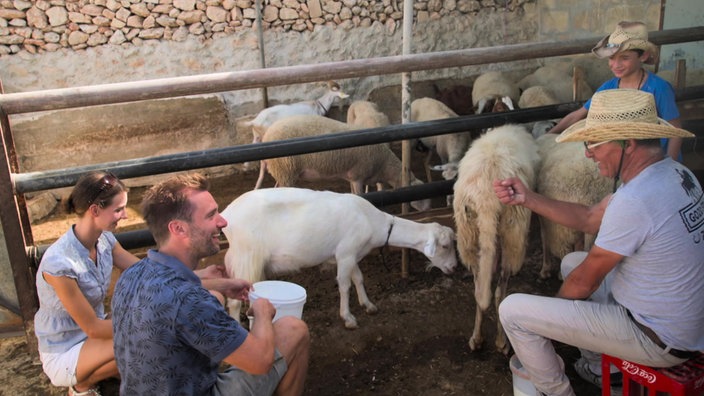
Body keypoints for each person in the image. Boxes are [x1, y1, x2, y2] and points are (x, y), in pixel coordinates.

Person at [493, 89, 704, 396]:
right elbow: (592, 217)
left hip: (659, 337)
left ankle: (558, 393)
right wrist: (528, 198)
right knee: (570, 261)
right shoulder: (673, 173)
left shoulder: (636, 200)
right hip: (683, 320)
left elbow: (584, 282)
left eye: (593, 143)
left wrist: (546, 326)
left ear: (628, 144)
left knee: (513, 311)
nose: (588, 152)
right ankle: (598, 368)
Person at [33, 171, 252, 396]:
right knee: (145, 345)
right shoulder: (60, 264)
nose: (125, 215)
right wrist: (153, 324)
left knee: (151, 339)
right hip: (67, 348)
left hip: (95, 338)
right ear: (95, 211)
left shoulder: (104, 240)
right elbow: (94, 328)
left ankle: (105, 375)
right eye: (118, 209)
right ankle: (81, 385)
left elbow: (151, 275)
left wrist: (208, 278)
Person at [111, 173, 310, 395]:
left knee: (215, 297)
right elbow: (261, 362)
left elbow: (172, 292)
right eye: (211, 215)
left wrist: (220, 284)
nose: (223, 222)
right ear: (178, 229)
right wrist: (263, 312)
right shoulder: (190, 302)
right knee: (293, 329)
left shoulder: (132, 274)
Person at [548, 21, 684, 161]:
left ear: (643, 56)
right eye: (612, 58)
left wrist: (669, 164)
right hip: (625, 161)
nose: (616, 65)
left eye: (625, 58)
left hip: (656, 160)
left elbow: (675, 131)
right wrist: (549, 135)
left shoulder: (658, 88)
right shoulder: (608, 88)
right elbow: (579, 114)